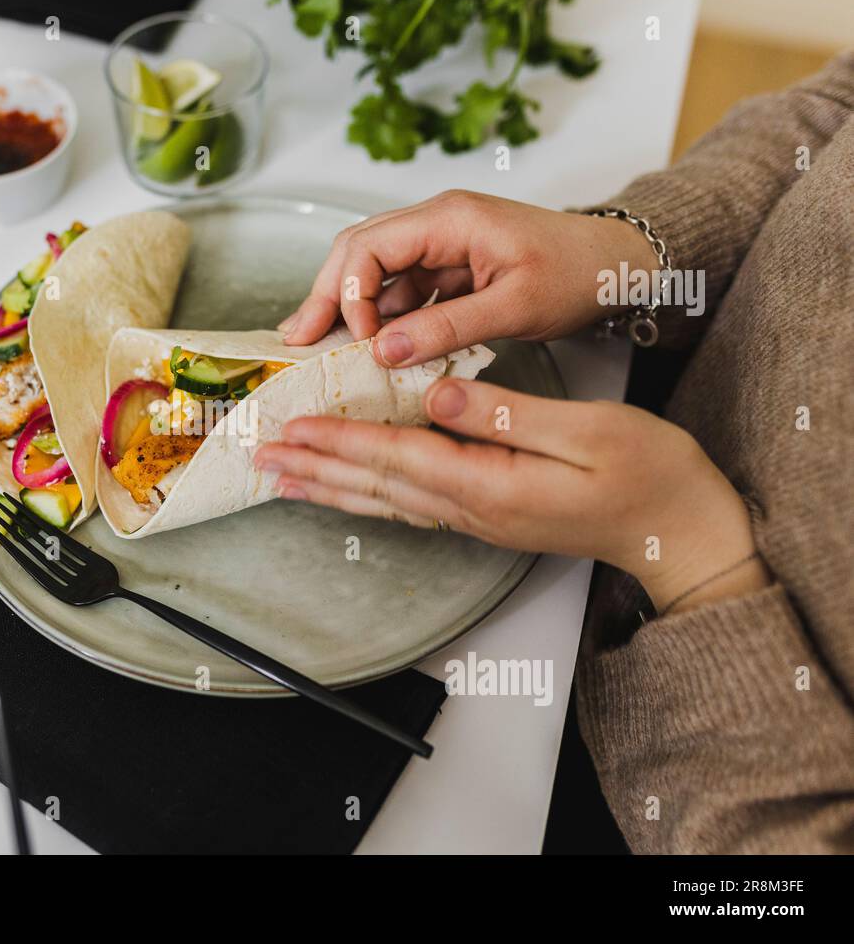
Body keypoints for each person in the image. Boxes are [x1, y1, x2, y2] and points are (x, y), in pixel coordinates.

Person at [255, 52, 854, 853]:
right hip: (646, 379)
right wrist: (628, 254)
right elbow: (834, 109)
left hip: (659, 768)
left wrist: (692, 559)